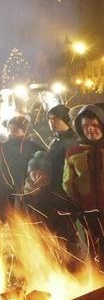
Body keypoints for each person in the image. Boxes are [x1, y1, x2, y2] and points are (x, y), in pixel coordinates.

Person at [17, 151, 79, 266]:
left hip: (54, 240)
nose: (37, 176)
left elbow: (66, 222)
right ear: (29, 173)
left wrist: (59, 240)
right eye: (34, 172)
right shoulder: (22, 195)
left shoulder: (56, 195)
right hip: (31, 240)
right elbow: (18, 217)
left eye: (42, 173)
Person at [64, 105, 104, 270]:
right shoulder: (73, 153)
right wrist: (78, 205)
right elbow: (67, 183)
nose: (91, 130)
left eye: (94, 125)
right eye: (86, 126)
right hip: (88, 213)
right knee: (94, 252)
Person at [0, 115, 42, 219]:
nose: (12, 129)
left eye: (16, 127)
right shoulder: (1, 148)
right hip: (5, 192)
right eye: (10, 127)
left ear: (24, 129)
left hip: (27, 193)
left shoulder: (34, 148)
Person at [47, 104, 78, 194]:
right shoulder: (55, 140)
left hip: (66, 190)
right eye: (49, 118)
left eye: (55, 118)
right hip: (54, 188)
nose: (51, 122)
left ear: (65, 119)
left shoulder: (73, 141)